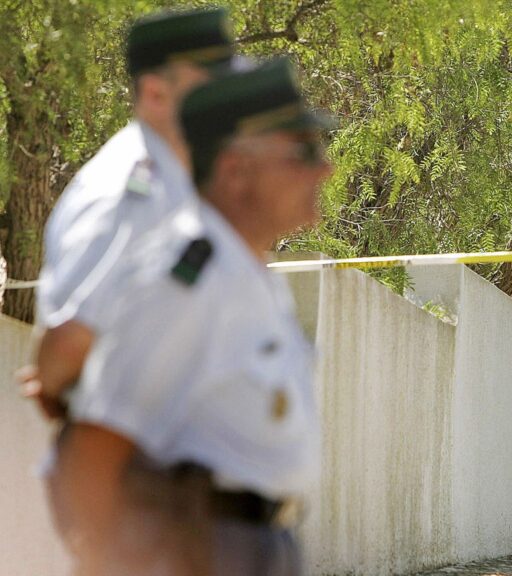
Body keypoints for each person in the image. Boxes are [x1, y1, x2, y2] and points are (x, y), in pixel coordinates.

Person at [48, 57, 334, 575]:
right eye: (302, 152)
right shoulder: (183, 282)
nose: (325, 169)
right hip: (202, 550)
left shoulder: (247, 273)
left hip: (257, 544)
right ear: (234, 170)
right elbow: (93, 451)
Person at [19, 7, 242, 419]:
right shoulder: (135, 191)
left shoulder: (172, 182)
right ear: (156, 93)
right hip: (130, 453)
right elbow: (70, 337)